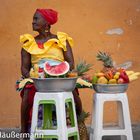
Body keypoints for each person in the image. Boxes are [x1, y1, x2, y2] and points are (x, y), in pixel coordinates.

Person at [19, 8, 82, 135]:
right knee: (27, 95)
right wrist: (30, 75)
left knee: (74, 95)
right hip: (37, 77)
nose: (33, 22)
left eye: (36, 19)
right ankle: (24, 131)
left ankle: (80, 124)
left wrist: (60, 73)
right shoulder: (28, 42)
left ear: (47, 23)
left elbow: (70, 63)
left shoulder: (61, 39)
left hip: (60, 77)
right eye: (33, 19)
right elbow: (24, 67)